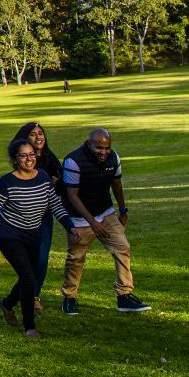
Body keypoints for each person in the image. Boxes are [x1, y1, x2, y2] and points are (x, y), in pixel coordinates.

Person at [0, 137, 75, 339]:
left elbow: (54, 204)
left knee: (30, 274)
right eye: (23, 156)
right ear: (14, 159)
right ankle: (29, 326)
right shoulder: (7, 181)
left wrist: (70, 227)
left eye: (31, 155)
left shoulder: (44, 177)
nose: (29, 159)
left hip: (33, 233)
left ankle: (7, 303)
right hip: (9, 234)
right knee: (29, 277)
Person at [60, 128, 151, 314]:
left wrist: (123, 210)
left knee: (122, 246)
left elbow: (116, 184)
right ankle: (69, 297)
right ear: (89, 143)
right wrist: (93, 223)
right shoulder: (73, 161)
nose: (103, 152)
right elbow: (72, 196)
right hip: (79, 217)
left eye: (106, 148)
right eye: (99, 147)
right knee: (76, 258)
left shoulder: (114, 158)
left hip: (106, 212)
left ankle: (124, 295)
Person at [16, 121, 62, 312]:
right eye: (33, 134)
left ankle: (33, 295)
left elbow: (61, 187)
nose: (38, 137)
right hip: (24, 216)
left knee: (41, 258)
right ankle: (23, 295)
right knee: (27, 260)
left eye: (41, 133)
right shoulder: (23, 160)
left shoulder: (51, 159)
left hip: (45, 217)